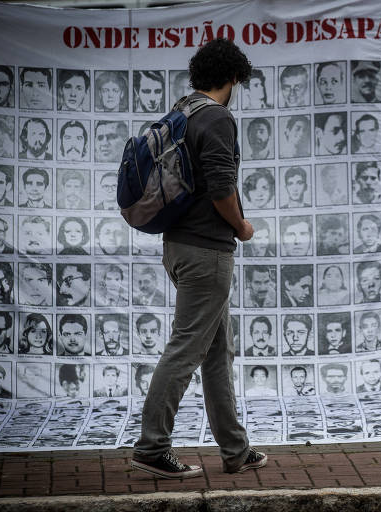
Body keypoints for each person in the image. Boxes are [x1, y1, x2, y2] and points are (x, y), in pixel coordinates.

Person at [131, 39, 266, 479]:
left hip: (178, 247)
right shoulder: (218, 117)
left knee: (216, 352)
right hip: (207, 252)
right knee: (187, 349)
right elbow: (222, 186)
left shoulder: (182, 113)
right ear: (234, 78)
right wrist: (242, 226)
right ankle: (152, 447)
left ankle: (235, 449)